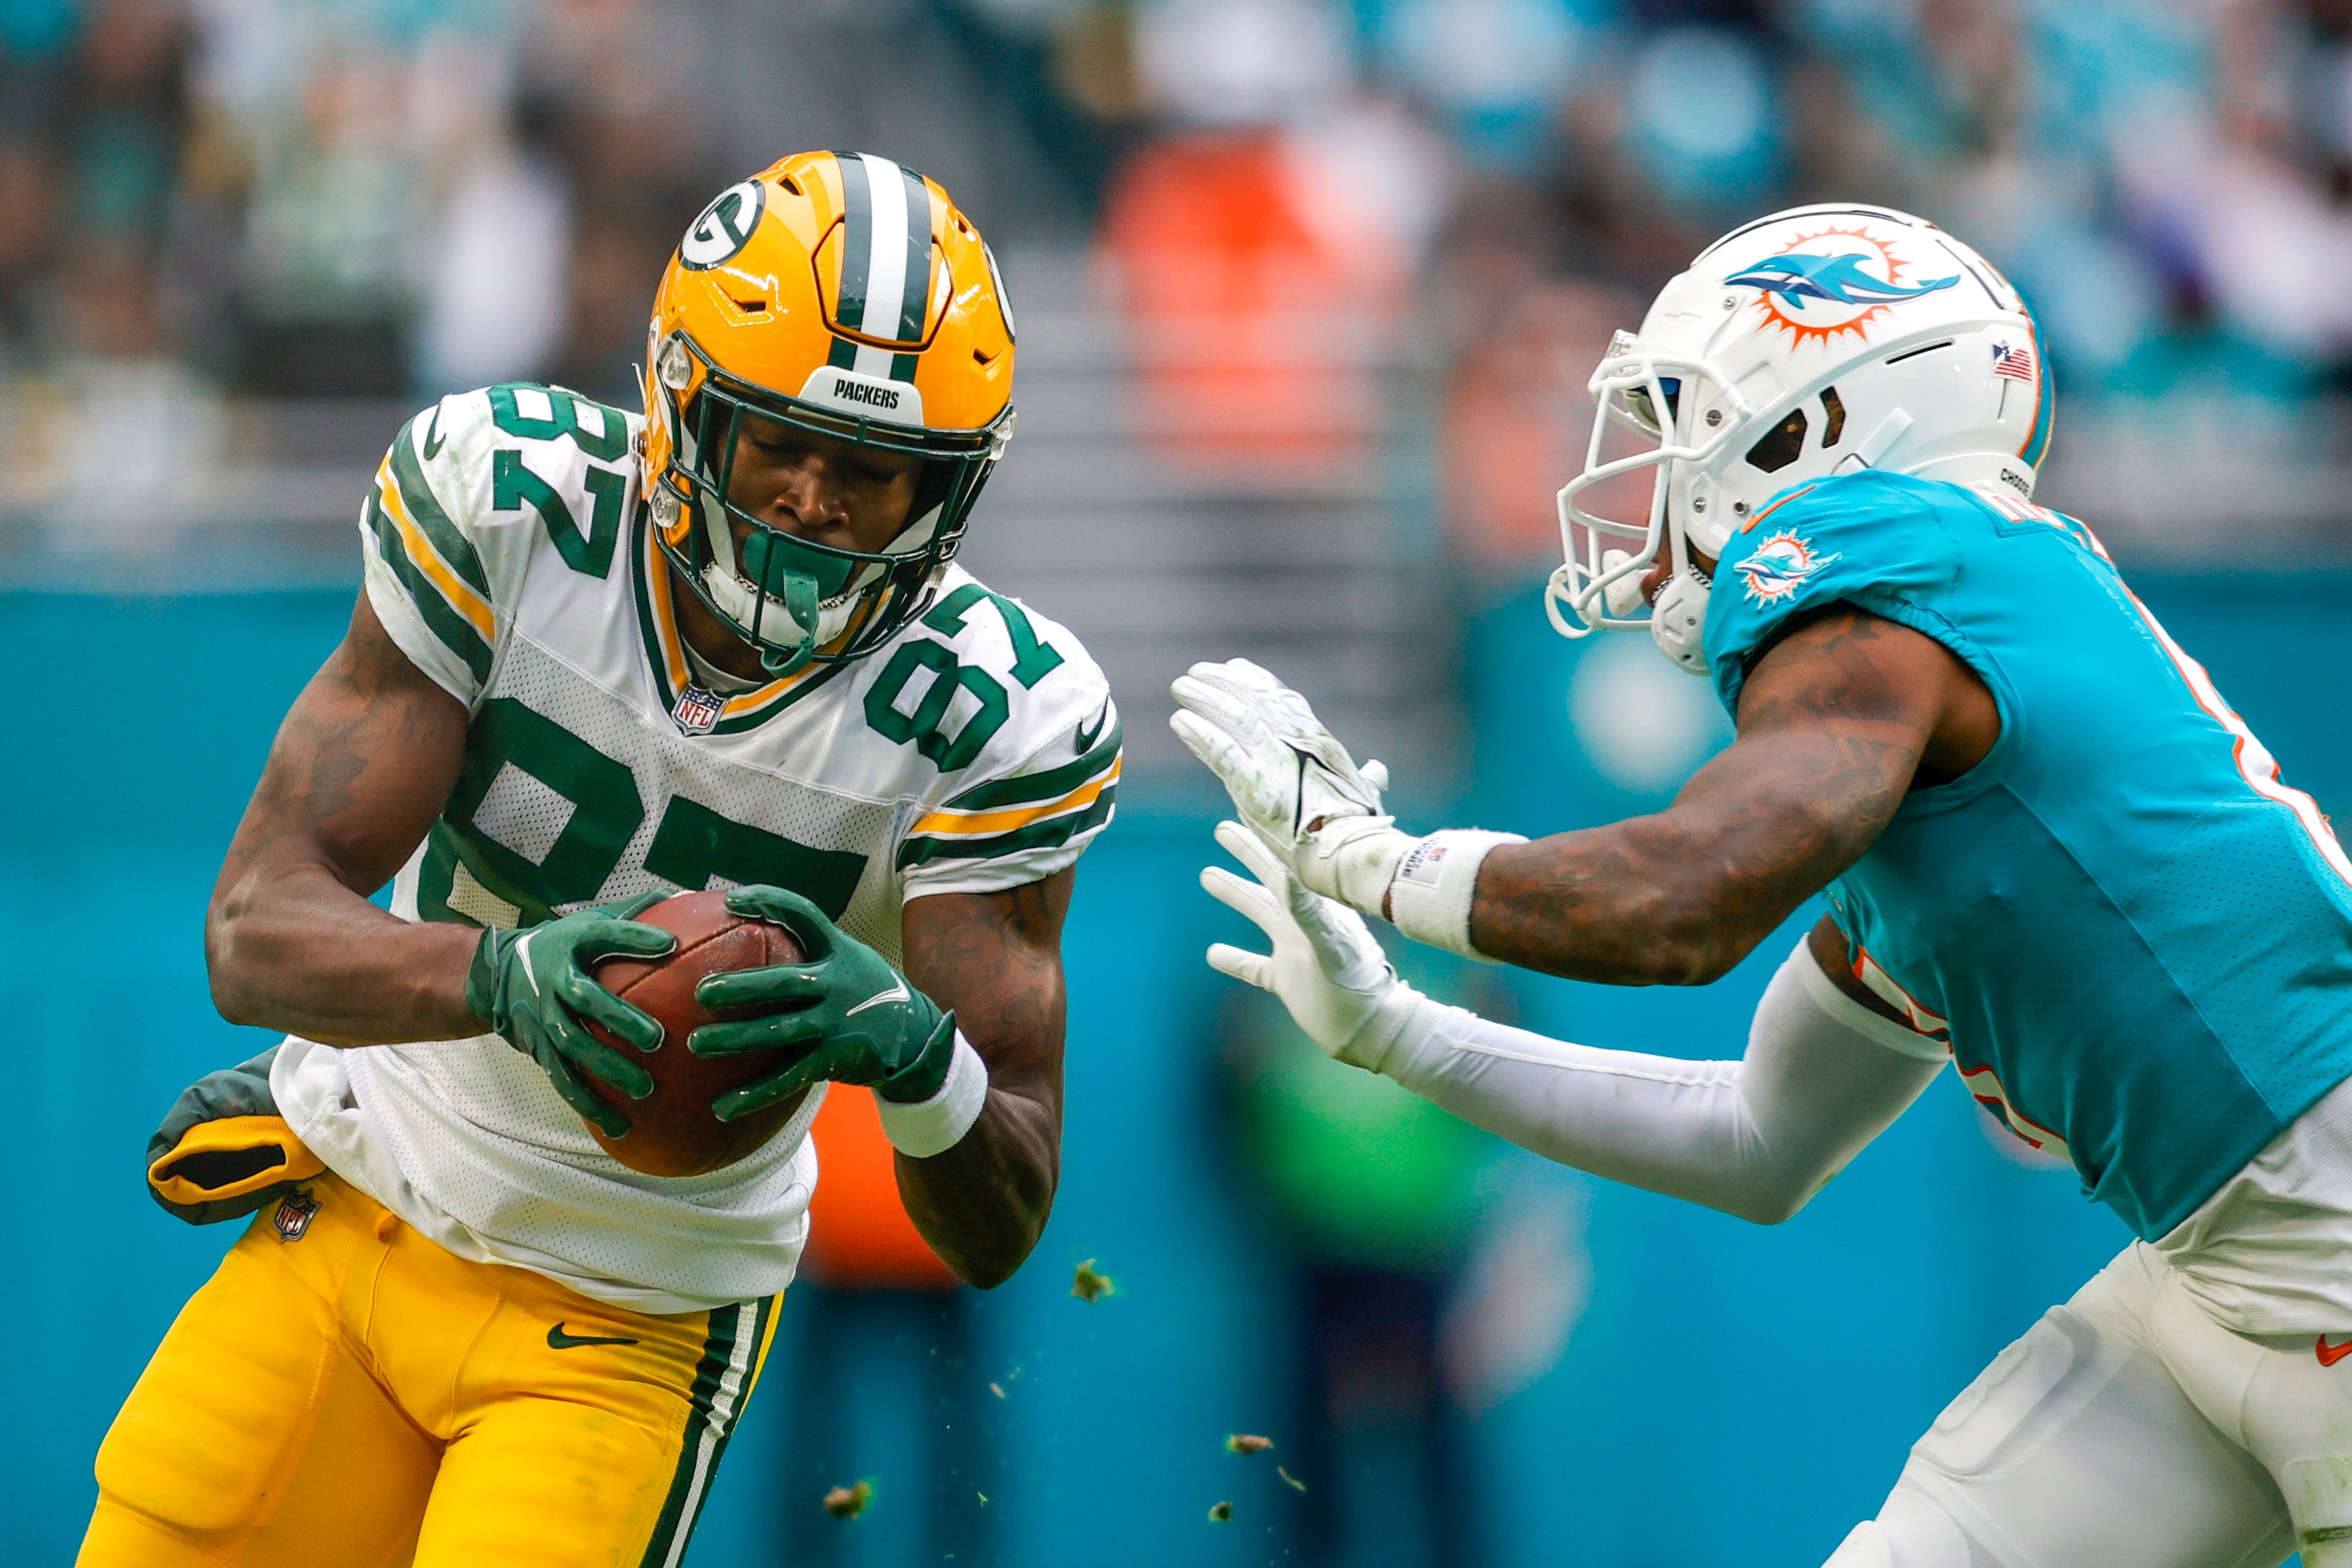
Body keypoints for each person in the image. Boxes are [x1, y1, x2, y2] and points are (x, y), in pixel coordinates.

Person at [1174, 203, 2352, 1568]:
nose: (1649, 472)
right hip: (2216, 1267)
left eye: (1687, 417)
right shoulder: (1940, 755)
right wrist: (1397, 1032)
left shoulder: (1892, 565)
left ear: (1818, 426)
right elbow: (1758, 1142)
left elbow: (1683, 901)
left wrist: (1371, 861)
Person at [87, 150, 1120, 1568]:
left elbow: (1000, 1215)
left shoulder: (993, 714)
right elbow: (252, 927)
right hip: (361, 1200)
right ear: (682, 403)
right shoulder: (515, 508)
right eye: (779, 443)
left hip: (630, 1316)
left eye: (874, 470)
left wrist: (908, 1049)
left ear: (946, 491)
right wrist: (499, 978)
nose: (815, 500)